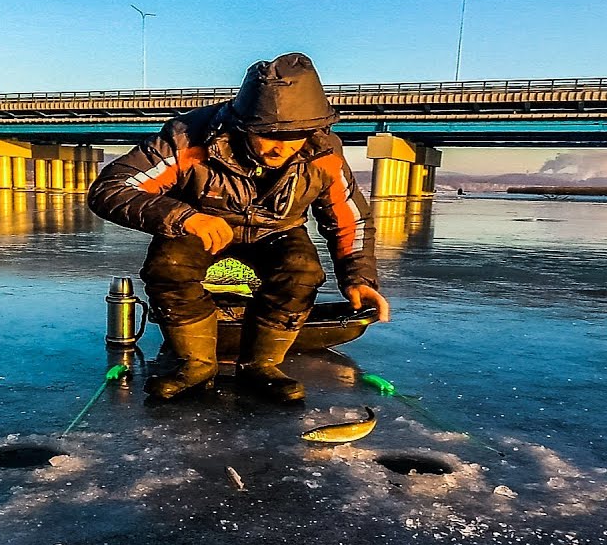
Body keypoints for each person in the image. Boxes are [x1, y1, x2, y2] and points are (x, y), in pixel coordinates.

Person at [88, 53, 390, 402]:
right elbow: (111, 189)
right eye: (267, 135)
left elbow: (350, 217)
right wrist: (183, 217)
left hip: (277, 230)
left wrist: (358, 278)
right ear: (242, 125)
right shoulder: (188, 138)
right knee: (169, 268)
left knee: (301, 272)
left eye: (294, 136)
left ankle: (261, 366)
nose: (280, 147)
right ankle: (196, 365)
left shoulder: (324, 152)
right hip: (202, 224)